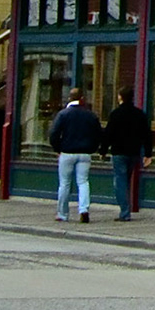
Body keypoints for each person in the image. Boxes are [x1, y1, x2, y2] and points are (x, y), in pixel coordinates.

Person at [48, 89, 104, 224]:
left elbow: (54, 133)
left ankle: (63, 214)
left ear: (69, 98)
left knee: (64, 184)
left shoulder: (63, 114)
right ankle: (83, 209)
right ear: (82, 98)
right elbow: (99, 134)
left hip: (67, 152)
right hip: (85, 153)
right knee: (83, 182)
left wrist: (58, 148)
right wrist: (93, 148)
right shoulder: (90, 115)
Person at [104, 89, 153, 222]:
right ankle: (126, 208)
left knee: (120, 181)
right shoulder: (139, 114)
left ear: (120, 97)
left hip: (118, 152)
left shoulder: (115, 114)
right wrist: (148, 153)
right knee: (126, 179)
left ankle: (125, 212)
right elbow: (147, 135)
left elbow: (109, 133)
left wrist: (103, 150)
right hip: (133, 152)